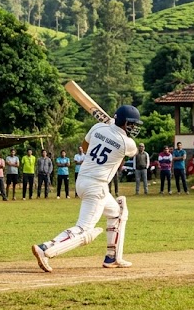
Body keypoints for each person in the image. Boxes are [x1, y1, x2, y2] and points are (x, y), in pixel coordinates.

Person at [32, 105, 140, 272]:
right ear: (125, 123)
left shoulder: (98, 127)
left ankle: (112, 257)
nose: (133, 128)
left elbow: (86, 144)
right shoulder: (128, 143)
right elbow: (129, 154)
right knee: (84, 229)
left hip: (82, 180)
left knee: (118, 213)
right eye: (131, 124)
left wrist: (107, 131)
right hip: (97, 186)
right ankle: (45, 248)